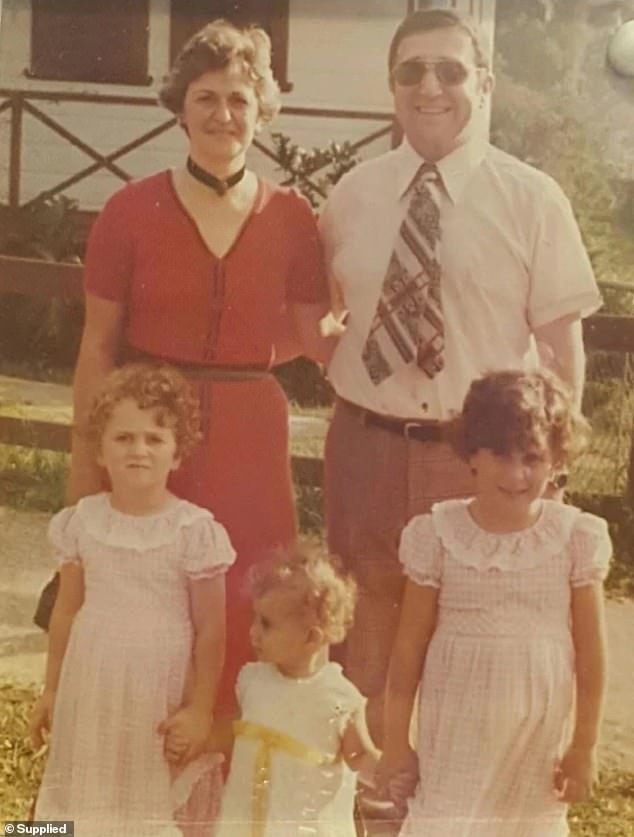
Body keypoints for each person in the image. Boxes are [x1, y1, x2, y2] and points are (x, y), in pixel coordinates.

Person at [318, 8, 603, 742]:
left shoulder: (533, 198)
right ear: (392, 86)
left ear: (485, 82)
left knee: (468, 640)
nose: (430, 86)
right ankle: (370, 803)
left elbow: (561, 351)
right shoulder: (352, 194)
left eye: (450, 69)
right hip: (367, 446)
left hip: (477, 458)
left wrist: (549, 470)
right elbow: (320, 315)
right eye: (411, 71)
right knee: (366, 635)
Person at [60, 19, 331, 717]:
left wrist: (253, 358)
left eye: (240, 99)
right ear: (181, 107)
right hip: (151, 426)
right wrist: (88, 457)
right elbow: (97, 344)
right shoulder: (128, 209)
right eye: (207, 97)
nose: (223, 114)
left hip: (251, 434)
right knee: (144, 592)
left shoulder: (294, 216)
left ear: (262, 111)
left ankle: (230, 780)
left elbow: (311, 333)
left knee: (250, 593)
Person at [377, 369, 610, 837]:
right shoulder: (438, 533)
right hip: (457, 721)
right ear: (471, 454)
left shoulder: (574, 537)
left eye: (532, 458)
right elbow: (407, 651)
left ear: (556, 460)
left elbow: (591, 656)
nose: (517, 474)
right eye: (500, 456)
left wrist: (584, 746)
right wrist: (396, 741)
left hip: (536, 732)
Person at [30, 364, 236, 837]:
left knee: (145, 795)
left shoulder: (193, 530)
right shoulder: (82, 522)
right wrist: (53, 688)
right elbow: (66, 611)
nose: (138, 450)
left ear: (177, 453)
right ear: (100, 449)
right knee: (82, 796)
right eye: (123, 438)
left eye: (154, 439)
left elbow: (212, 632)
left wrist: (201, 709)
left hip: (157, 689)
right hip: (92, 680)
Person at [214, 552, 379, 836]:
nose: (253, 632)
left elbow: (360, 756)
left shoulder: (338, 696)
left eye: (266, 624)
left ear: (311, 638)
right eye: (255, 619)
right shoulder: (253, 680)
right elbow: (234, 734)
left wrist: (388, 772)